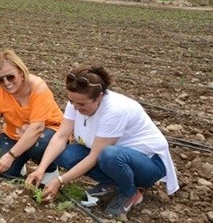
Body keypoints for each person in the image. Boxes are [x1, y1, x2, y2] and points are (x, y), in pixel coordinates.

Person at [26, 66, 178, 217]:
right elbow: (60, 136)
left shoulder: (115, 110)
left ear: (99, 96)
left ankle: (130, 193)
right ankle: (111, 183)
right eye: (72, 101)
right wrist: (41, 168)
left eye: (82, 104)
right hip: (119, 158)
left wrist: (60, 180)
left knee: (109, 154)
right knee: (66, 154)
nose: (76, 108)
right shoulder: (76, 101)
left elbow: (94, 156)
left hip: (149, 164)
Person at [0, 49, 63, 178]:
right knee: (2, 173)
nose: (6, 83)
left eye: (11, 77)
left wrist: (10, 155)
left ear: (21, 72)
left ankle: (49, 170)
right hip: (14, 135)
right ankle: (19, 161)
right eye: (0, 80)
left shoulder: (38, 88)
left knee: (38, 145)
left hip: (48, 131)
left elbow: (37, 128)